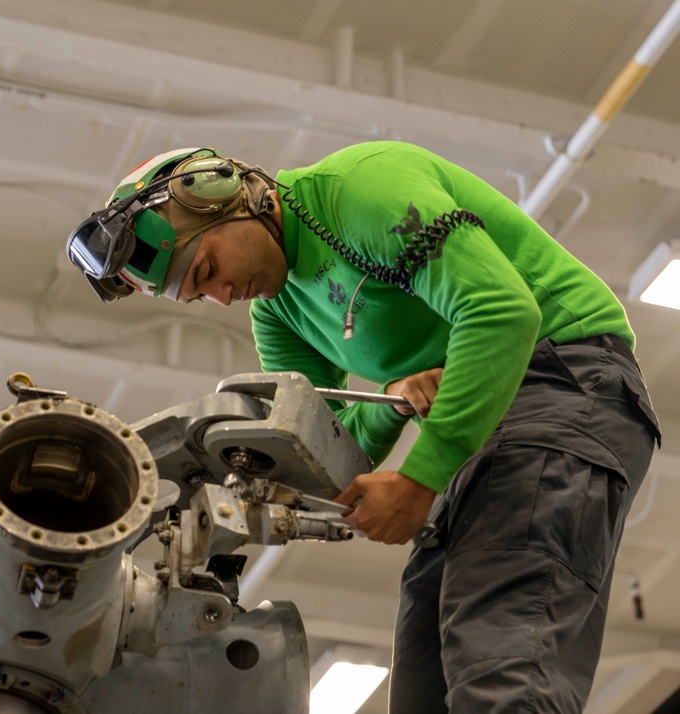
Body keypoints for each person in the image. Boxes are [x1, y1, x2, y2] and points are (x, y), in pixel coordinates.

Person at [65, 142, 661, 713]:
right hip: (487, 426)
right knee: (426, 683)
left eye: (209, 268)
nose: (222, 297)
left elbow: (503, 312)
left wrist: (420, 479)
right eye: (199, 295)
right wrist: (391, 404)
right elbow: (322, 447)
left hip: (565, 383)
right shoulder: (278, 310)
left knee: (501, 656)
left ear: (231, 197)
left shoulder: (362, 190)